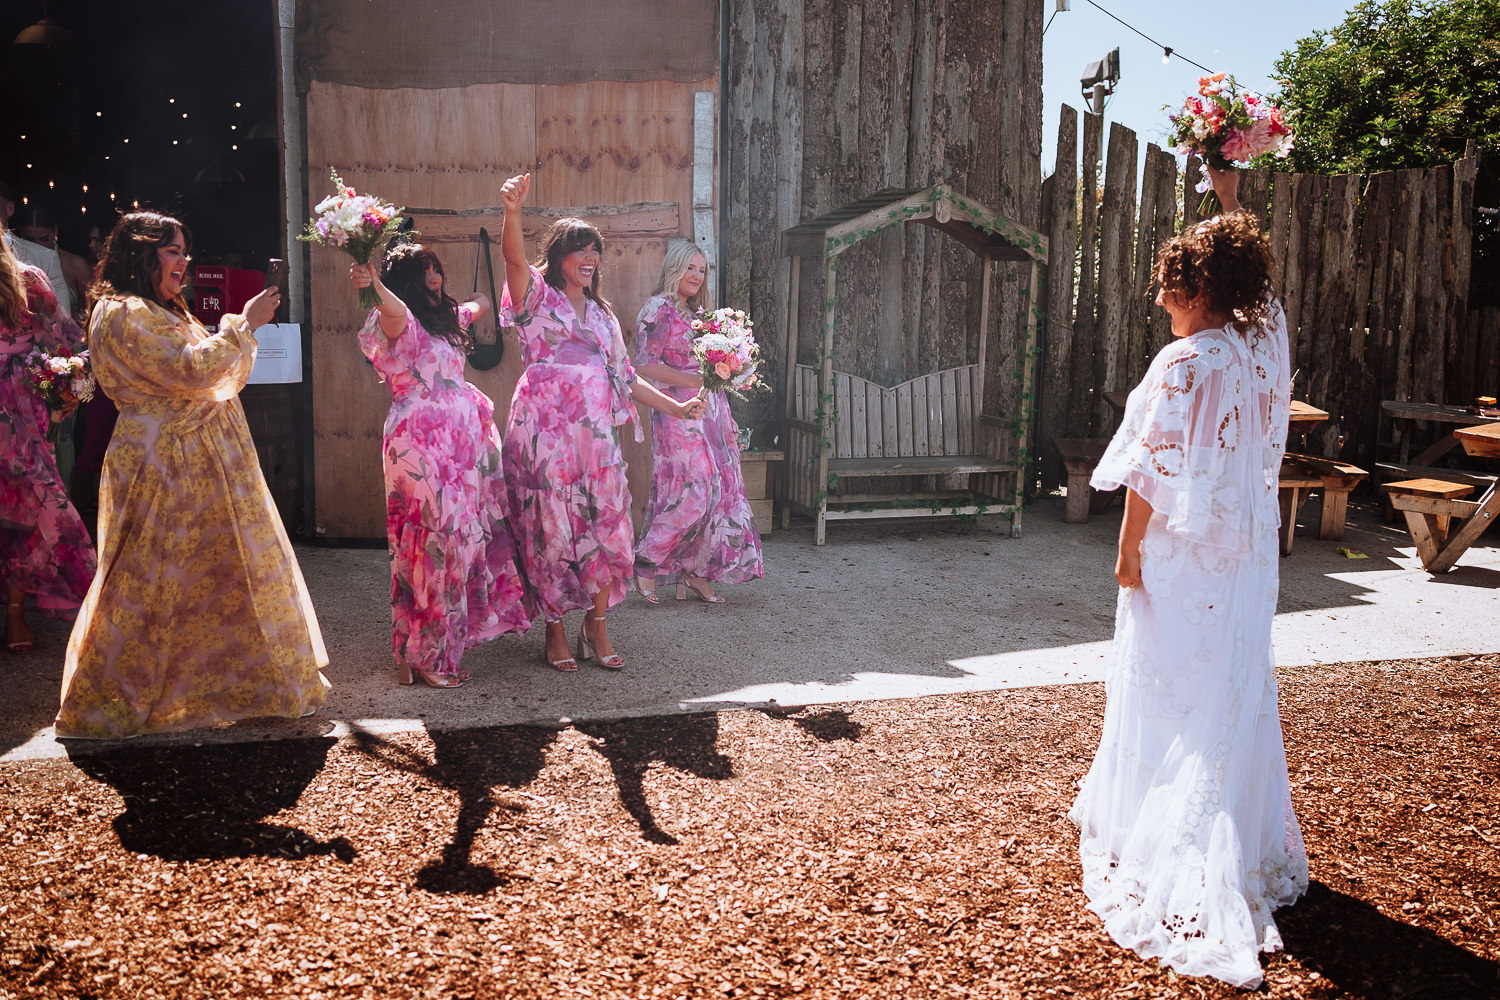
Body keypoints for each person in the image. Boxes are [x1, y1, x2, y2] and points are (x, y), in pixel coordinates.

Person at [1067, 166, 1307, 989]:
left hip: (1179, 556)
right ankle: (1240, 838)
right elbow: (1268, 296)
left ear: (1197, 286)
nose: (1161, 301)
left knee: (1168, 687)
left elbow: (1149, 473)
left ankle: (1174, 842)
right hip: (1245, 563)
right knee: (1231, 690)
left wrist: (1128, 552)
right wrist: (1231, 199)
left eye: (1170, 285)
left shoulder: (1184, 362)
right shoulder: (1261, 346)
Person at [56, 211, 329, 739]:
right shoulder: (121, 313)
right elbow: (195, 370)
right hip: (162, 461)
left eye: (184, 251)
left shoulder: (157, 308)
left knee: (221, 575)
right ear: (140, 253)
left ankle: (228, 685)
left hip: (200, 458)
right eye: (172, 251)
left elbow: (209, 374)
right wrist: (243, 323)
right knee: (150, 576)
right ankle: (117, 694)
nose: (184, 262)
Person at [497, 173, 704, 672]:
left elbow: (626, 377)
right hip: (543, 435)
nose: (590, 259)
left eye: (596, 252)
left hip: (595, 444)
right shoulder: (536, 302)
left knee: (605, 525)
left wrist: (676, 407)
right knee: (549, 529)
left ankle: (596, 623)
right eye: (581, 250)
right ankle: (554, 630)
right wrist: (511, 212)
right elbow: (512, 260)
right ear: (559, 257)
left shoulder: (603, 316)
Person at [349, 242, 533, 688]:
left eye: (437, 271)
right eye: (424, 273)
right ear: (404, 283)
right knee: (430, 545)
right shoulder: (400, 322)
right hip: (419, 446)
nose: (434, 279)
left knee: (444, 545)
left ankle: (415, 652)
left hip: (457, 449)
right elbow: (394, 311)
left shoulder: (445, 320)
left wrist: (477, 300)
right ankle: (428, 656)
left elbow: (480, 304)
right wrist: (374, 283)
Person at [631, 239, 763, 603]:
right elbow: (643, 366)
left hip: (713, 411)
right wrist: (699, 380)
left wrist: (731, 372)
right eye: (690, 267)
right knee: (694, 492)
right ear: (674, 267)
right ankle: (647, 563)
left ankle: (694, 571)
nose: (695, 275)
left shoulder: (701, 315)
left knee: (720, 491)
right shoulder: (657, 309)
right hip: (677, 410)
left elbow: (714, 370)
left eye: (701, 270)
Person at [0, 231, 96, 655]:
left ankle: (15, 612)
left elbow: (69, 343)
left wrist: (65, 393)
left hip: (15, 408)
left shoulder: (28, 281)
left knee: (25, 505)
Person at [14, 205, 92, 317]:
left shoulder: (75, 264)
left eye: (44, 239)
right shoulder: (13, 261)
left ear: (55, 231)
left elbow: (93, 309)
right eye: (29, 240)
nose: (37, 245)